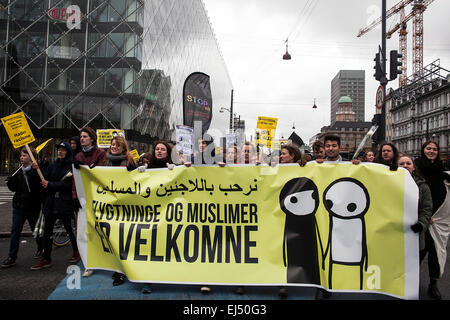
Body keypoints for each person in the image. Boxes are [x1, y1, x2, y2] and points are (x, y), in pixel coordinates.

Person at [31, 142, 80, 270]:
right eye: (59, 149)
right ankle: (46, 258)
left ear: (68, 152)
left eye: (63, 150)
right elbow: (45, 179)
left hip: (63, 203)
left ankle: (76, 251)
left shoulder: (71, 167)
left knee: (69, 228)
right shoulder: (53, 165)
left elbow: (69, 186)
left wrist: (51, 185)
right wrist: (37, 170)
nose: (60, 152)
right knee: (47, 231)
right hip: (51, 203)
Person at [414, 141, 450, 299]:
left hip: (437, 219)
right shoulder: (416, 168)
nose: (431, 151)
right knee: (417, 253)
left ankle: (433, 284)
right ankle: (411, 281)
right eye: (428, 148)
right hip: (420, 217)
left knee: (436, 254)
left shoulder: (442, 171)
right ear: (423, 150)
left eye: (434, 149)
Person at [2, 147, 44, 268]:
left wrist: (33, 173)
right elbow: (14, 188)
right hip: (19, 206)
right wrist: (10, 182)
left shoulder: (37, 171)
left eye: (24, 155)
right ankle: (12, 256)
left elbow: (38, 187)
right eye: (21, 155)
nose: (21, 157)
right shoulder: (18, 171)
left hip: (32, 207)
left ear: (31, 158)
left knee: (36, 232)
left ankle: (41, 248)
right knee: (15, 231)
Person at [73, 126, 106, 277]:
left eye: (85, 136)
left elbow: (101, 173)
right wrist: (75, 196)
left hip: (98, 198)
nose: (82, 139)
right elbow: (76, 180)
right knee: (83, 230)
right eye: (81, 136)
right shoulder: (78, 156)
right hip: (83, 198)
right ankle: (89, 263)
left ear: (92, 139)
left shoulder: (100, 153)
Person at [104, 135, 136, 286]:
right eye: (112, 145)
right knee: (114, 239)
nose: (114, 147)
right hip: (111, 206)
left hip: (126, 207)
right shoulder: (105, 162)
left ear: (123, 147)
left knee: (125, 239)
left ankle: (123, 271)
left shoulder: (130, 162)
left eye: (117, 145)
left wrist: (133, 171)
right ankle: (118, 269)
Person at [398, 155, 433, 269]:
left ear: (413, 167)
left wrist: (421, 225)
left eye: (408, 163)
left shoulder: (423, 187)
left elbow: (426, 209)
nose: (405, 166)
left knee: (411, 267)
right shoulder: (388, 184)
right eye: (401, 164)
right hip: (394, 232)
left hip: (414, 233)